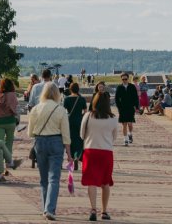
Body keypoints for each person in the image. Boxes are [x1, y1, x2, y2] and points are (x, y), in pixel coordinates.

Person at [28, 82, 72, 220]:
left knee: (43, 179)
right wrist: (69, 154)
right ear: (57, 94)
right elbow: (66, 134)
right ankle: (50, 209)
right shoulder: (60, 110)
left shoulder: (36, 108)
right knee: (54, 178)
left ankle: (45, 208)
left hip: (40, 142)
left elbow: (30, 132)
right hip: (56, 142)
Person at [81, 90, 118, 221]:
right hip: (106, 152)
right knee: (105, 182)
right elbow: (114, 137)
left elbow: (81, 134)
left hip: (90, 151)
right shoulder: (113, 118)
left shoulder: (88, 116)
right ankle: (104, 211)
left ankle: (93, 209)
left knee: (91, 181)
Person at [0, 78, 21, 162]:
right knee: (9, 142)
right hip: (10, 121)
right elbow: (16, 109)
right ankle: (8, 161)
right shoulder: (12, 95)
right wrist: (18, 119)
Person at [63, 81, 87, 171]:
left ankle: (71, 157)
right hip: (79, 121)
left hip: (69, 122)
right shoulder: (82, 99)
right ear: (78, 89)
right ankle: (77, 156)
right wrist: (81, 117)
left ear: (70, 89)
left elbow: (63, 111)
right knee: (79, 140)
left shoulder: (66, 99)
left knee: (70, 140)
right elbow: (85, 112)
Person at [114, 73, 139, 146]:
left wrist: (137, 107)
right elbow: (116, 98)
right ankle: (125, 139)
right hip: (122, 108)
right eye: (123, 79)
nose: (124, 80)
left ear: (128, 79)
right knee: (124, 124)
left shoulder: (132, 86)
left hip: (130, 107)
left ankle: (130, 134)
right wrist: (119, 107)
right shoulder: (119, 87)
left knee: (130, 124)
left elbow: (136, 97)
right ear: (121, 79)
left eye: (126, 79)